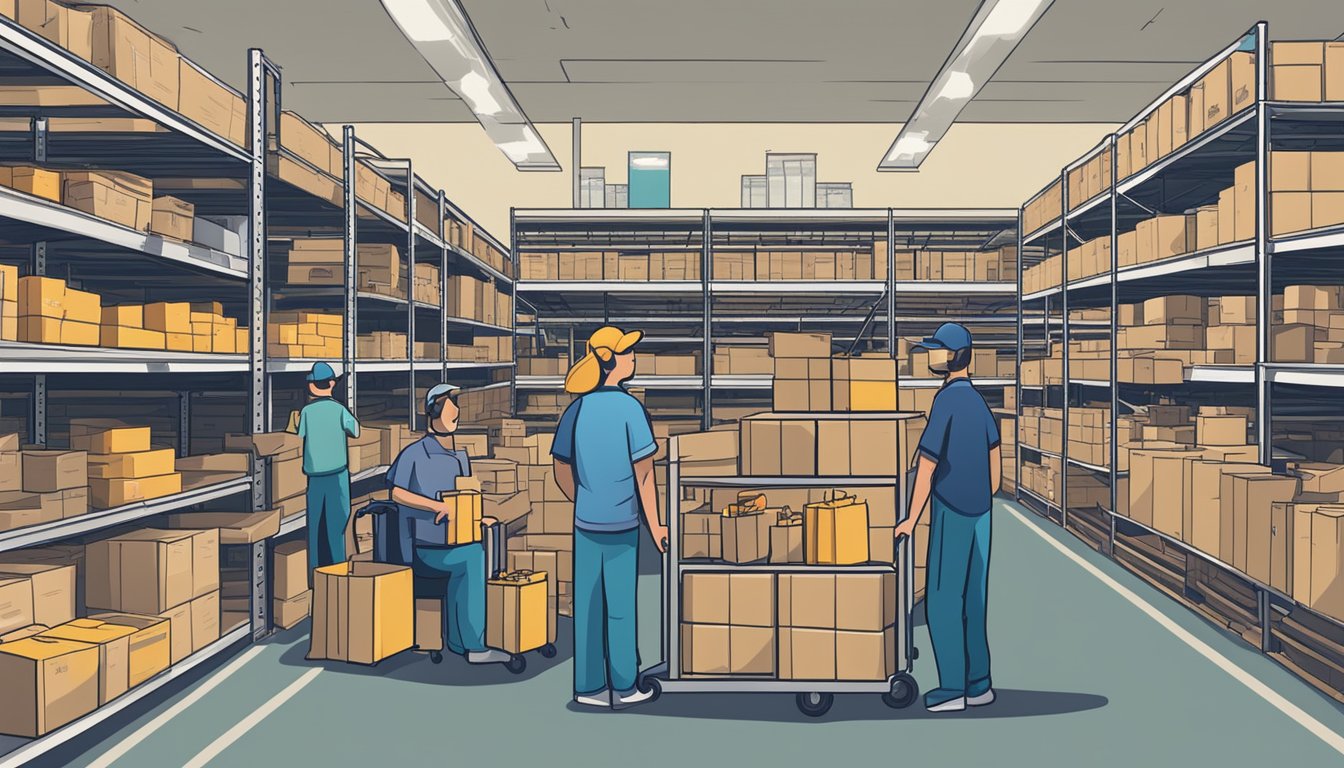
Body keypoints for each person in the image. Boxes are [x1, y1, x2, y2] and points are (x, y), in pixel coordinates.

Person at [552, 326, 668, 710]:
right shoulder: (630, 409)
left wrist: (585, 499)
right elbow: (645, 475)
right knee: (619, 606)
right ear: (608, 360)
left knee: (587, 607)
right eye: (626, 351)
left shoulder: (577, 408)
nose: (632, 356)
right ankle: (624, 685)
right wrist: (656, 527)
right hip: (622, 525)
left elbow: (560, 467)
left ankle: (588, 689)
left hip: (586, 524)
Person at [892, 322, 1001, 713]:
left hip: (952, 511)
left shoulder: (947, 402)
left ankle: (952, 689)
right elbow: (996, 467)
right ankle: (980, 684)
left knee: (941, 599)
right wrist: (980, 500)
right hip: (981, 516)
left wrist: (910, 517)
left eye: (936, 350)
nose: (930, 355)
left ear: (953, 356)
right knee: (975, 599)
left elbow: (927, 463)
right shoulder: (978, 402)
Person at [386, 383, 509, 665]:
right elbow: (396, 492)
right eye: (450, 413)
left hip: (453, 542)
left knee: (482, 545)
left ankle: (458, 640)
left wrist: (480, 517)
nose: (455, 418)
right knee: (472, 557)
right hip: (424, 547)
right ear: (432, 414)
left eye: (456, 414)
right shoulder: (415, 454)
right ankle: (475, 647)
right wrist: (435, 506)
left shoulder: (459, 458)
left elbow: (464, 500)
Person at [295, 362, 360, 579]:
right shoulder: (340, 410)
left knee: (315, 530)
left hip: (314, 478)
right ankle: (337, 576)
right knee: (336, 528)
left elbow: (298, 436)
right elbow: (356, 431)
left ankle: (315, 579)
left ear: (311, 386)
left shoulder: (306, 412)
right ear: (332, 384)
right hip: (337, 477)